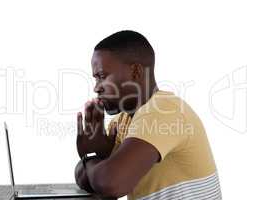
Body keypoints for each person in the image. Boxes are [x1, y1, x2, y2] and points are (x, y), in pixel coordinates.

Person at [74, 30, 222, 200]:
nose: (97, 87)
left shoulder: (165, 111)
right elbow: (89, 179)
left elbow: (111, 184)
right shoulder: (122, 121)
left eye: (102, 76)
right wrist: (98, 155)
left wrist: (90, 158)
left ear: (136, 72)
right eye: (96, 79)